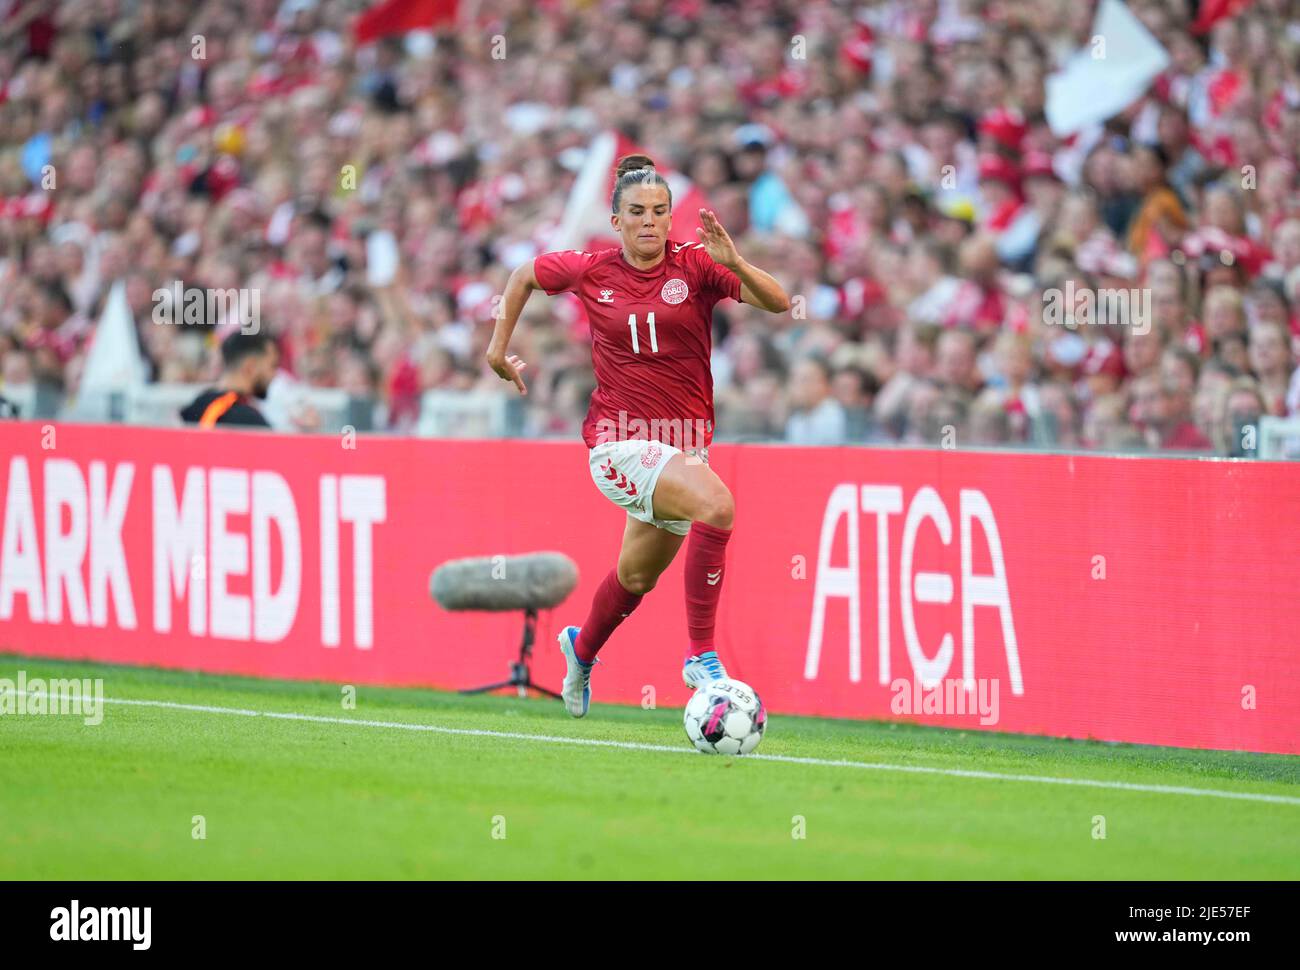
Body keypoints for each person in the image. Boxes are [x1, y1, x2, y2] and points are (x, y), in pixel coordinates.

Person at [485, 154, 790, 718]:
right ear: (616, 219)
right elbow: (522, 274)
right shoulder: (590, 269)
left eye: (659, 211)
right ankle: (702, 655)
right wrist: (497, 348)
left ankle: (579, 651)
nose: (650, 221)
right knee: (717, 506)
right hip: (618, 442)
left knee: (634, 577)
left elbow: (780, 302)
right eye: (637, 212)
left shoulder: (698, 266)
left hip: (682, 447)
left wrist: (738, 264)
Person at [180, 332, 278, 428]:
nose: (275, 375)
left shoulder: (197, 405)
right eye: (272, 366)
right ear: (250, 367)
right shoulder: (248, 420)